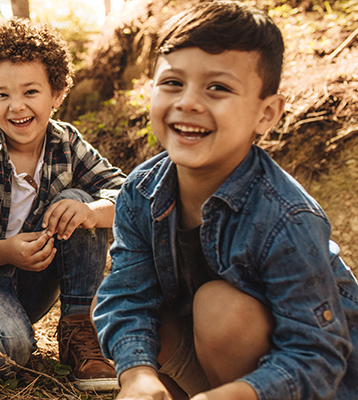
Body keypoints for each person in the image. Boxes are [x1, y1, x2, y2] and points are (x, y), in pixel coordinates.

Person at [93, 2, 358, 399]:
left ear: (266, 114)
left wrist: (238, 394)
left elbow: (315, 355)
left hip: (310, 382)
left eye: (217, 87)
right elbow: (127, 296)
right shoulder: (141, 192)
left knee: (220, 309)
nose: (189, 103)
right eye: (173, 83)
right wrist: (137, 375)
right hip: (211, 360)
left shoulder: (286, 216)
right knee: (134, 308)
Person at [0, 18, 126, 391]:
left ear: (58, 93)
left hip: (32, 282)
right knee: (9, 353)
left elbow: (125, 192)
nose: (17, 107)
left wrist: (93, 212)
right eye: (2, 95)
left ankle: (78, 328)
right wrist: (3, 252)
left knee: (77, 202)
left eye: (31, 92)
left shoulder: (67, 143)